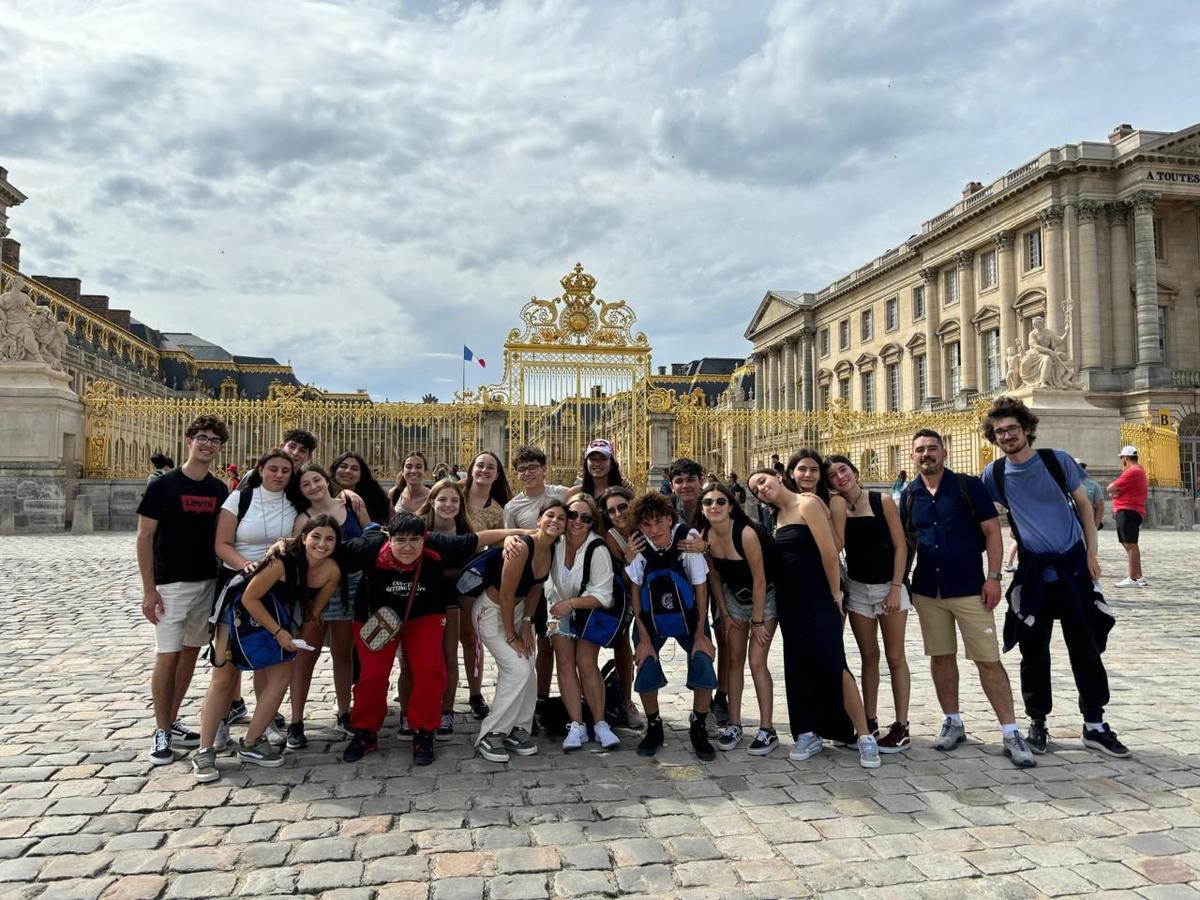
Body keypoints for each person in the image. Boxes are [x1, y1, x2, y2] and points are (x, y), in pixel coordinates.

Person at [980, 397, 1127, 759]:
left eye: (1012, 429)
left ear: (1027, 429)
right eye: (999, 432)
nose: (1006, 436)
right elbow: (983, 518)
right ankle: (1037, 722)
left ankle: (1094, 724)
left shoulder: (1056, 461)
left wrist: (1091, 554)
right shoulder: (993, 475)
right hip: (1032, 571)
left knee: (1086, 647)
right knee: (1033, 651)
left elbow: (1084, 506)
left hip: (1073, 567)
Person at [900, 428, 1035, 768]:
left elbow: (992, 532)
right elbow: (909, 541)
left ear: (944, 453)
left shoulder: (967, 485)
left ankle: (1010, 731)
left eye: (932, 448)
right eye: (920, 450)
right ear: (912, 456)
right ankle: (953, 720)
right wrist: (901, 581)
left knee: (987, 659)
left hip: (970, 588)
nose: (926, 454)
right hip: (928, 589)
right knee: (941, 657)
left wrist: (993, 577)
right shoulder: (910, 494)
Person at [339, 512, 518, 765]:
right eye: (400, 540)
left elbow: (479, 538)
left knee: (429, 669)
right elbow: (323, 548)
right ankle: (365, 731)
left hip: (424, 614)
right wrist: (285, 545)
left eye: (414, 540)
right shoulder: (368, 547)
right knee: (372, 675)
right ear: (389, 539)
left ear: (425, 538)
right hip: (376, 618)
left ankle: (423, 730)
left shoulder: (438, 544)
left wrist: (519, 535)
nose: (408, 547)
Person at [747, 469, 880, 769]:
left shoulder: (806, 504)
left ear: (778, 476)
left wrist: (835, 594)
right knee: (798, 664)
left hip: (819, 596)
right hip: (790, 601)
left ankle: (863, 734)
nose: (761, 489)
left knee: (834, 663)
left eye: (763, 481)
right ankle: (808, 731)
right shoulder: (776, 517)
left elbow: (830, 553)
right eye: (756, 489)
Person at [191, 516, 341, 782]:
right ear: (304, 537)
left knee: (281, 677)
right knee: (223, 679)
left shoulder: (332, 571)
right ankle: (204, 750)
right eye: (316, 536)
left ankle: (251, 742)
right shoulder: (281, 562)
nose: (322, 544)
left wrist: (294, 639)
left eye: (330, 538)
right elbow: (249, 598)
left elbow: (311, 613)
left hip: (277, 617)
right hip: (237, 613)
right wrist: (279, 633)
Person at [136, 415, 229, 765]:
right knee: (167, 655)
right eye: (202, 437)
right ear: (189, 440)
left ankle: (172, 719)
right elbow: (144, 537)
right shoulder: (163, 485)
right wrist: (149, 589)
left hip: (206, 580)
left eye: (215, 440)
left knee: (190, 652)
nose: (208, 445)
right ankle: (161, 730)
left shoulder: (218, 489)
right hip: (170, 583)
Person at [214, 449, 305, 742]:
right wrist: (247, 565)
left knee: (268, 657)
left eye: (285, 471)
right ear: (261, 469)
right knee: (227, 659)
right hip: (237, 582)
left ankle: (264, 722)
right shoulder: (240, 499)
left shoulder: (295, 502)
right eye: (273, 469)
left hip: (275, 587)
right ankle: (218, 721)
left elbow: (304, 533)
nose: (279, 475)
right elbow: (222, 544)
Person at [827, 455, 912, 752]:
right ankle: (870, 720)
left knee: (895, 656)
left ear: (854, 471)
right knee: (868, 657)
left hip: (889, 586)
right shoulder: (837, 507)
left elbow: (900, 546)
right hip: (858, 589)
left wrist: (896, 587)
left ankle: (901, 726)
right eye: (833, 475)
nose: (840, 476)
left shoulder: (881, 500)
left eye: (843, 470)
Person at [286, 463, 371, 748]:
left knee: (343, 652)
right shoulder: (303, 518)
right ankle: (296, 721)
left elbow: (371, 534)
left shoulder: (350, 503)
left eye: (317, 480)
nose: (313, 487)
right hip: (317, 589)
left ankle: (344, 712)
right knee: (306, 655)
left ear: (326, 480)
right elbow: (296, 554)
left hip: (352, 585)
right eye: (305, 484)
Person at [626, 491, 717, 761]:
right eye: (646, 524)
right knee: (645, 664)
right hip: (651, 617)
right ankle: (654, 725)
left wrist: (700, 634)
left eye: (659, 522)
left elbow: (701, 588)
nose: (654, 530)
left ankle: (699, 724)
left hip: (689, 616)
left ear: (669, 519)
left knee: (703, 660)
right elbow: (635, 591)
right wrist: (643, 639)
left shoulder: (687, 539)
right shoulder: (639, 544)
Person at [473, 499, 565, 762]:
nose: (555, 521)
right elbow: (505, 595)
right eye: (550, 515)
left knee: (527, 666)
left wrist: (526, 623)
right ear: (539, 519)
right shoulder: (522, 547)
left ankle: (518, 728)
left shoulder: (551, 549)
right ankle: (491, 733)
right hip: (491, 613)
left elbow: (536, 588)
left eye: (561, 518)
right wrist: (511, 635)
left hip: (518, 612)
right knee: (517, 668)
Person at [699, 481, 779, 756]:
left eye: (720, 501)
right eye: (708, 502)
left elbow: (760, 580)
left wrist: (757, 622)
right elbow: (715, 577)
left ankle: (767, 728)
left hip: (764, 601)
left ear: (731, 506)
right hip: (733, 600)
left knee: (756, 662)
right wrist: (723, 612)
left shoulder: (745, 533)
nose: (714, 506)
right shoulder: (706, 535)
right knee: (734, 661)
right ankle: (734, 724)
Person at [505, 446, 571, 729]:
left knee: (554, 645)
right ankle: (535, 700)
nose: (528, 473)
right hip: (533, 584)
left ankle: (546, 700)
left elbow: (589, 497)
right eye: (522, 469)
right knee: (537, 645)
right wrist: (508, 540)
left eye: (533, 467)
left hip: (559, 582)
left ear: (544, 469)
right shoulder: (513, 507)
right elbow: (508, 539)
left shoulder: (560, 494)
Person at [548, 494, 622, 751]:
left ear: (593, 521)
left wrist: (571, 604)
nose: (577, 521)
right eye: (572, 515)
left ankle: (600, 723)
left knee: (586, 662)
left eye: (585, 517)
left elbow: (604, 597)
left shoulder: (597, 548)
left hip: (588, 611)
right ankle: (576, 724)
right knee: (564, 663)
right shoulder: (555, 541)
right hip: (556, 608)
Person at [413, 478, 476, 739]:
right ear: (432, 502)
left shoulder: (465, 531)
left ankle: (446, 711)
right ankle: (414, 710)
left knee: (450, 655)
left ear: (461, 505)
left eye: (454, 500)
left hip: (451, 599)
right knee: (417, 659)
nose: (448, 505)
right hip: (419, 600)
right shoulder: (418, 527)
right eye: (442, 499)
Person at [460, 451, 512, 719]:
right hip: (442, 572)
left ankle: (475, 693)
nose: (484, 470)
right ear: (471, 469)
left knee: (471, 638)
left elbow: (500, 545)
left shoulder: (498, 510)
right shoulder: (454, 494)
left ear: (497, 474)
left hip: (473, 578)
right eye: (480, 465)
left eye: (491, 467)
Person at [598, 485, 646, 729]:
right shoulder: (611, 538)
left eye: (622, 507)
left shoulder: (649, 524)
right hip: (628, 598)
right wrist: (629, 559)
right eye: (611, 511)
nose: (618, 514)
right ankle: (624, 701)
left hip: (658, 596)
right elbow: (623, 582)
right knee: (624, 643)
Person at [1109, 445, 1148, 587]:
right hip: (1132, 510)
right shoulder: (1139, 470)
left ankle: (1132, 578)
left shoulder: (1132, 471)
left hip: (1127, 510)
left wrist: (1114, 493)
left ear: (1126, 458)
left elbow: (1110, 488)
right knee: (1131, 544)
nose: (1122, 461)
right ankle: (1138, 576)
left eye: (1122, 458)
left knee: (1129, 544)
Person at [238, 429, 316, 491]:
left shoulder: (307, 483)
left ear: (309, 457)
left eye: (302, 451)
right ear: (282, 447)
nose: (295, 453)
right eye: (292, 447)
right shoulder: (254, 476)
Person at [329, 452, 393, 525]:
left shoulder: (373, 501)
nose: (347, 471)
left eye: (354, 469)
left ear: (361, 476)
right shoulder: (324, 494)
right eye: (343, 466)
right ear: (335, 471)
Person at [1076, 459, 1106, 531]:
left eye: (1083, 467)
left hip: (1088, 524)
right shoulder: (1066, 485)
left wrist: (1095, 526)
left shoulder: (1093, 485)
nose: (1081, 469)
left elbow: (1100, 507)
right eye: (1078, 467)